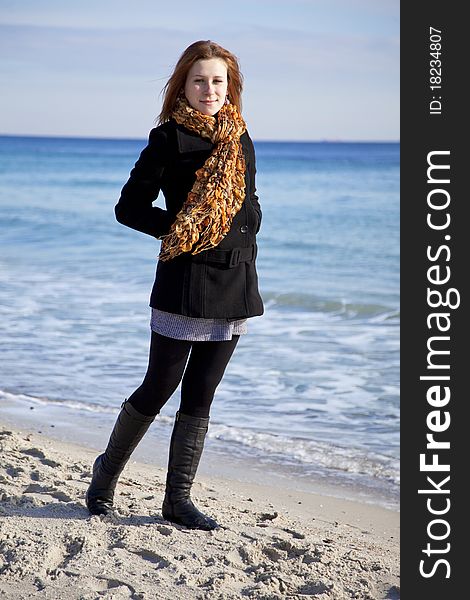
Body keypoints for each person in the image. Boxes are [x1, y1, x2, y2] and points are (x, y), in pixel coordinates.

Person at [85, 40, 263, 531]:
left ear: (231, 87)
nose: (210, 89)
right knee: (160, 385)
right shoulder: (167, 138)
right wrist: (183, 230)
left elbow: (251, 202)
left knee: (201, 393)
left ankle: (177, 499)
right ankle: (104, 476)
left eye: (219, 81)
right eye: (200, 80)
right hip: (185, 279)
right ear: (183, 85)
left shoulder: (240, 137)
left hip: (236, 279)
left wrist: (247, 226)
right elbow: (129, 208)